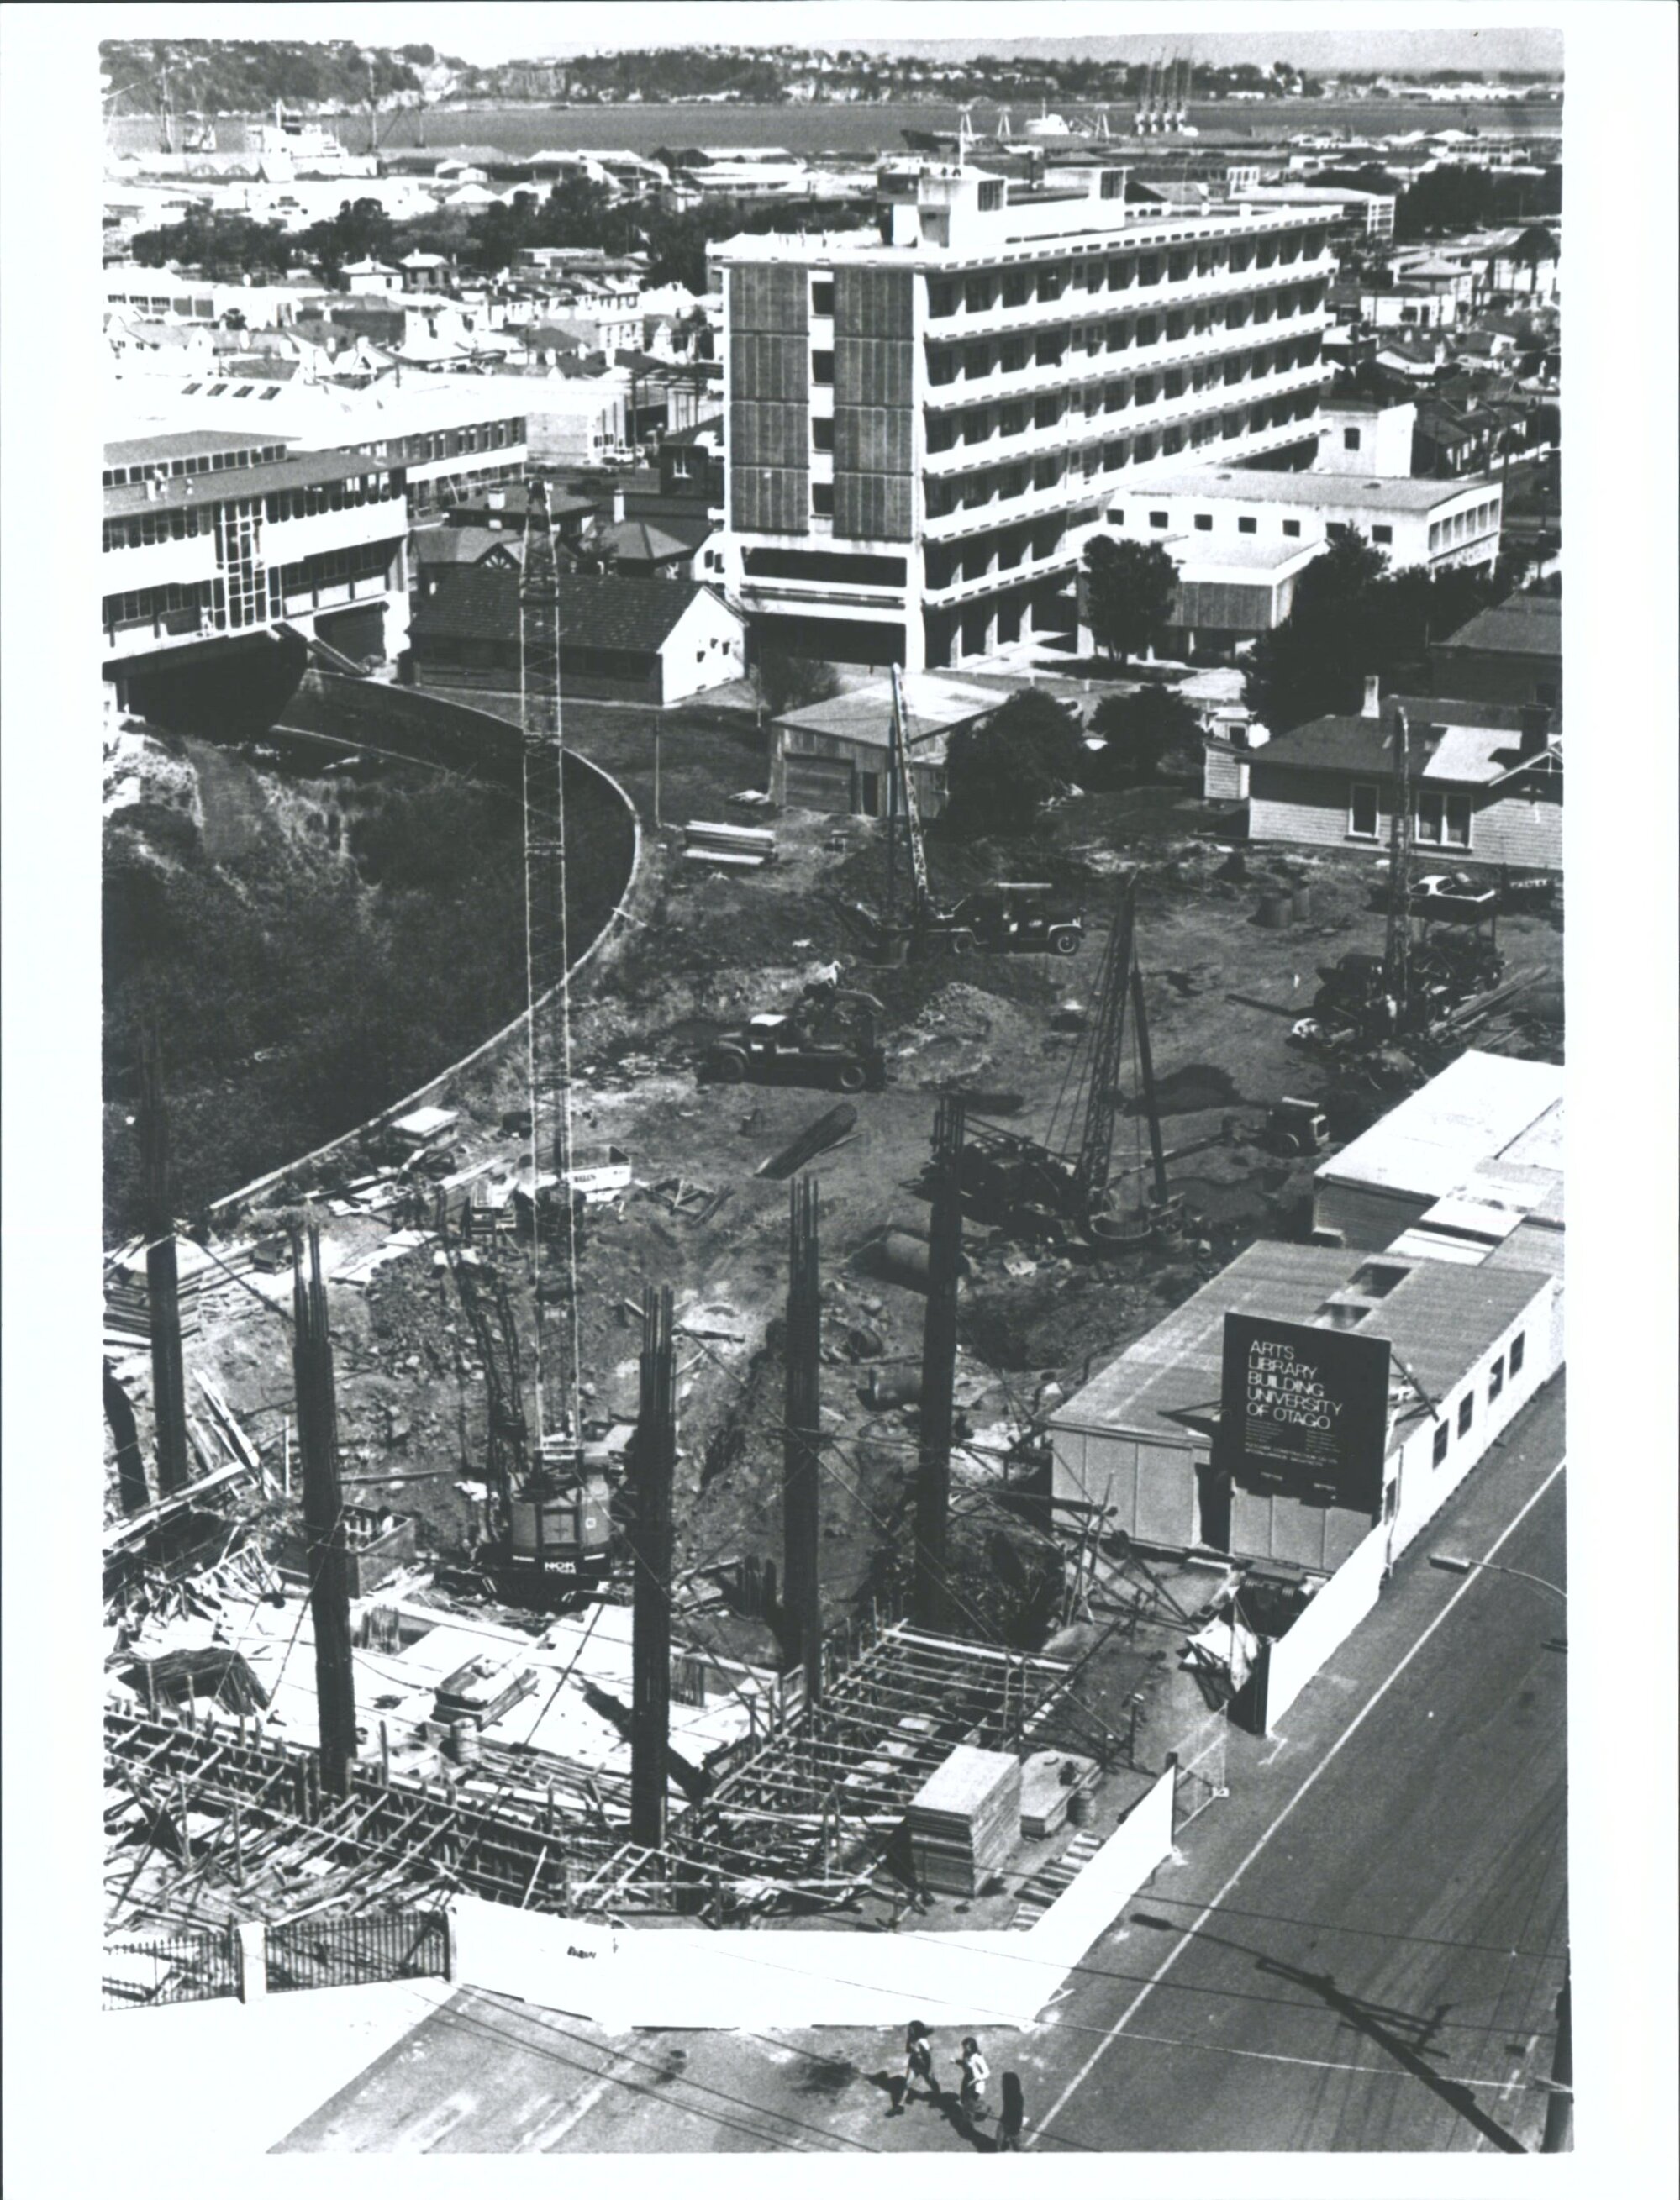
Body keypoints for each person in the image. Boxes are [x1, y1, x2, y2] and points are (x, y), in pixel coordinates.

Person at [902, 2020, 937, 2105]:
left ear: (917, 2030)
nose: (910, 2031)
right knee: (907, 2083)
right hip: (914, 2065)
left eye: (912, 2029)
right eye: (909, 2029)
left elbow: (929, 2056)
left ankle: (937, 2097)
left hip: (924, 2066)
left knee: (931, 2082)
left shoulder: (922, 2041)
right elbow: (908, 2051)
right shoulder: (911, 2038)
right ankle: (900, 2105)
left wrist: (930, 2070)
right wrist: (911, 2044)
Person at [958, 2036, 990, 2124]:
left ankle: (968, 2122)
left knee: (969, 2104)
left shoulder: (978, 2058)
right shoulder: (966, 2054)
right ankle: (967, 2116)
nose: (965, 2049)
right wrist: (956, 2062)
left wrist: (974, 2081)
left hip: (975, 2085)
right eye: (964, 2047)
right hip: (968, 2080)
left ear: (972, 2047)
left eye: (967, 2047)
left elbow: (986, 2073)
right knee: (963, 2100)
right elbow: (965, 2064)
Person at [997, 2072, 1024, 2152]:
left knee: (1016, 2145)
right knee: (1015, 2143)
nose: (1002, 2084)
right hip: (1013, 2122)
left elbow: (1009, 2113)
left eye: (1003, 2082)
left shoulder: (1010, 2097)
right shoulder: (1014, 2094)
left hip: (1012, 2123)